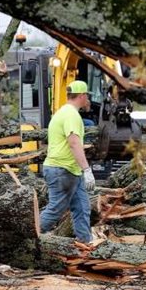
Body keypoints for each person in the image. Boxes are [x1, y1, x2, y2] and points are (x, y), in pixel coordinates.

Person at [38, 80, 95, 242]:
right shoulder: (71, 115)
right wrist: (87, 169)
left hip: (70, 170)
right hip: (62, 169)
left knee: (82, 208)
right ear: (82, 96)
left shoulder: (63, 112)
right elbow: (74, 143)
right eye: (87, 96)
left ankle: (85, 245)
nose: (88, 100)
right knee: (56, 210)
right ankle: (27, 237)